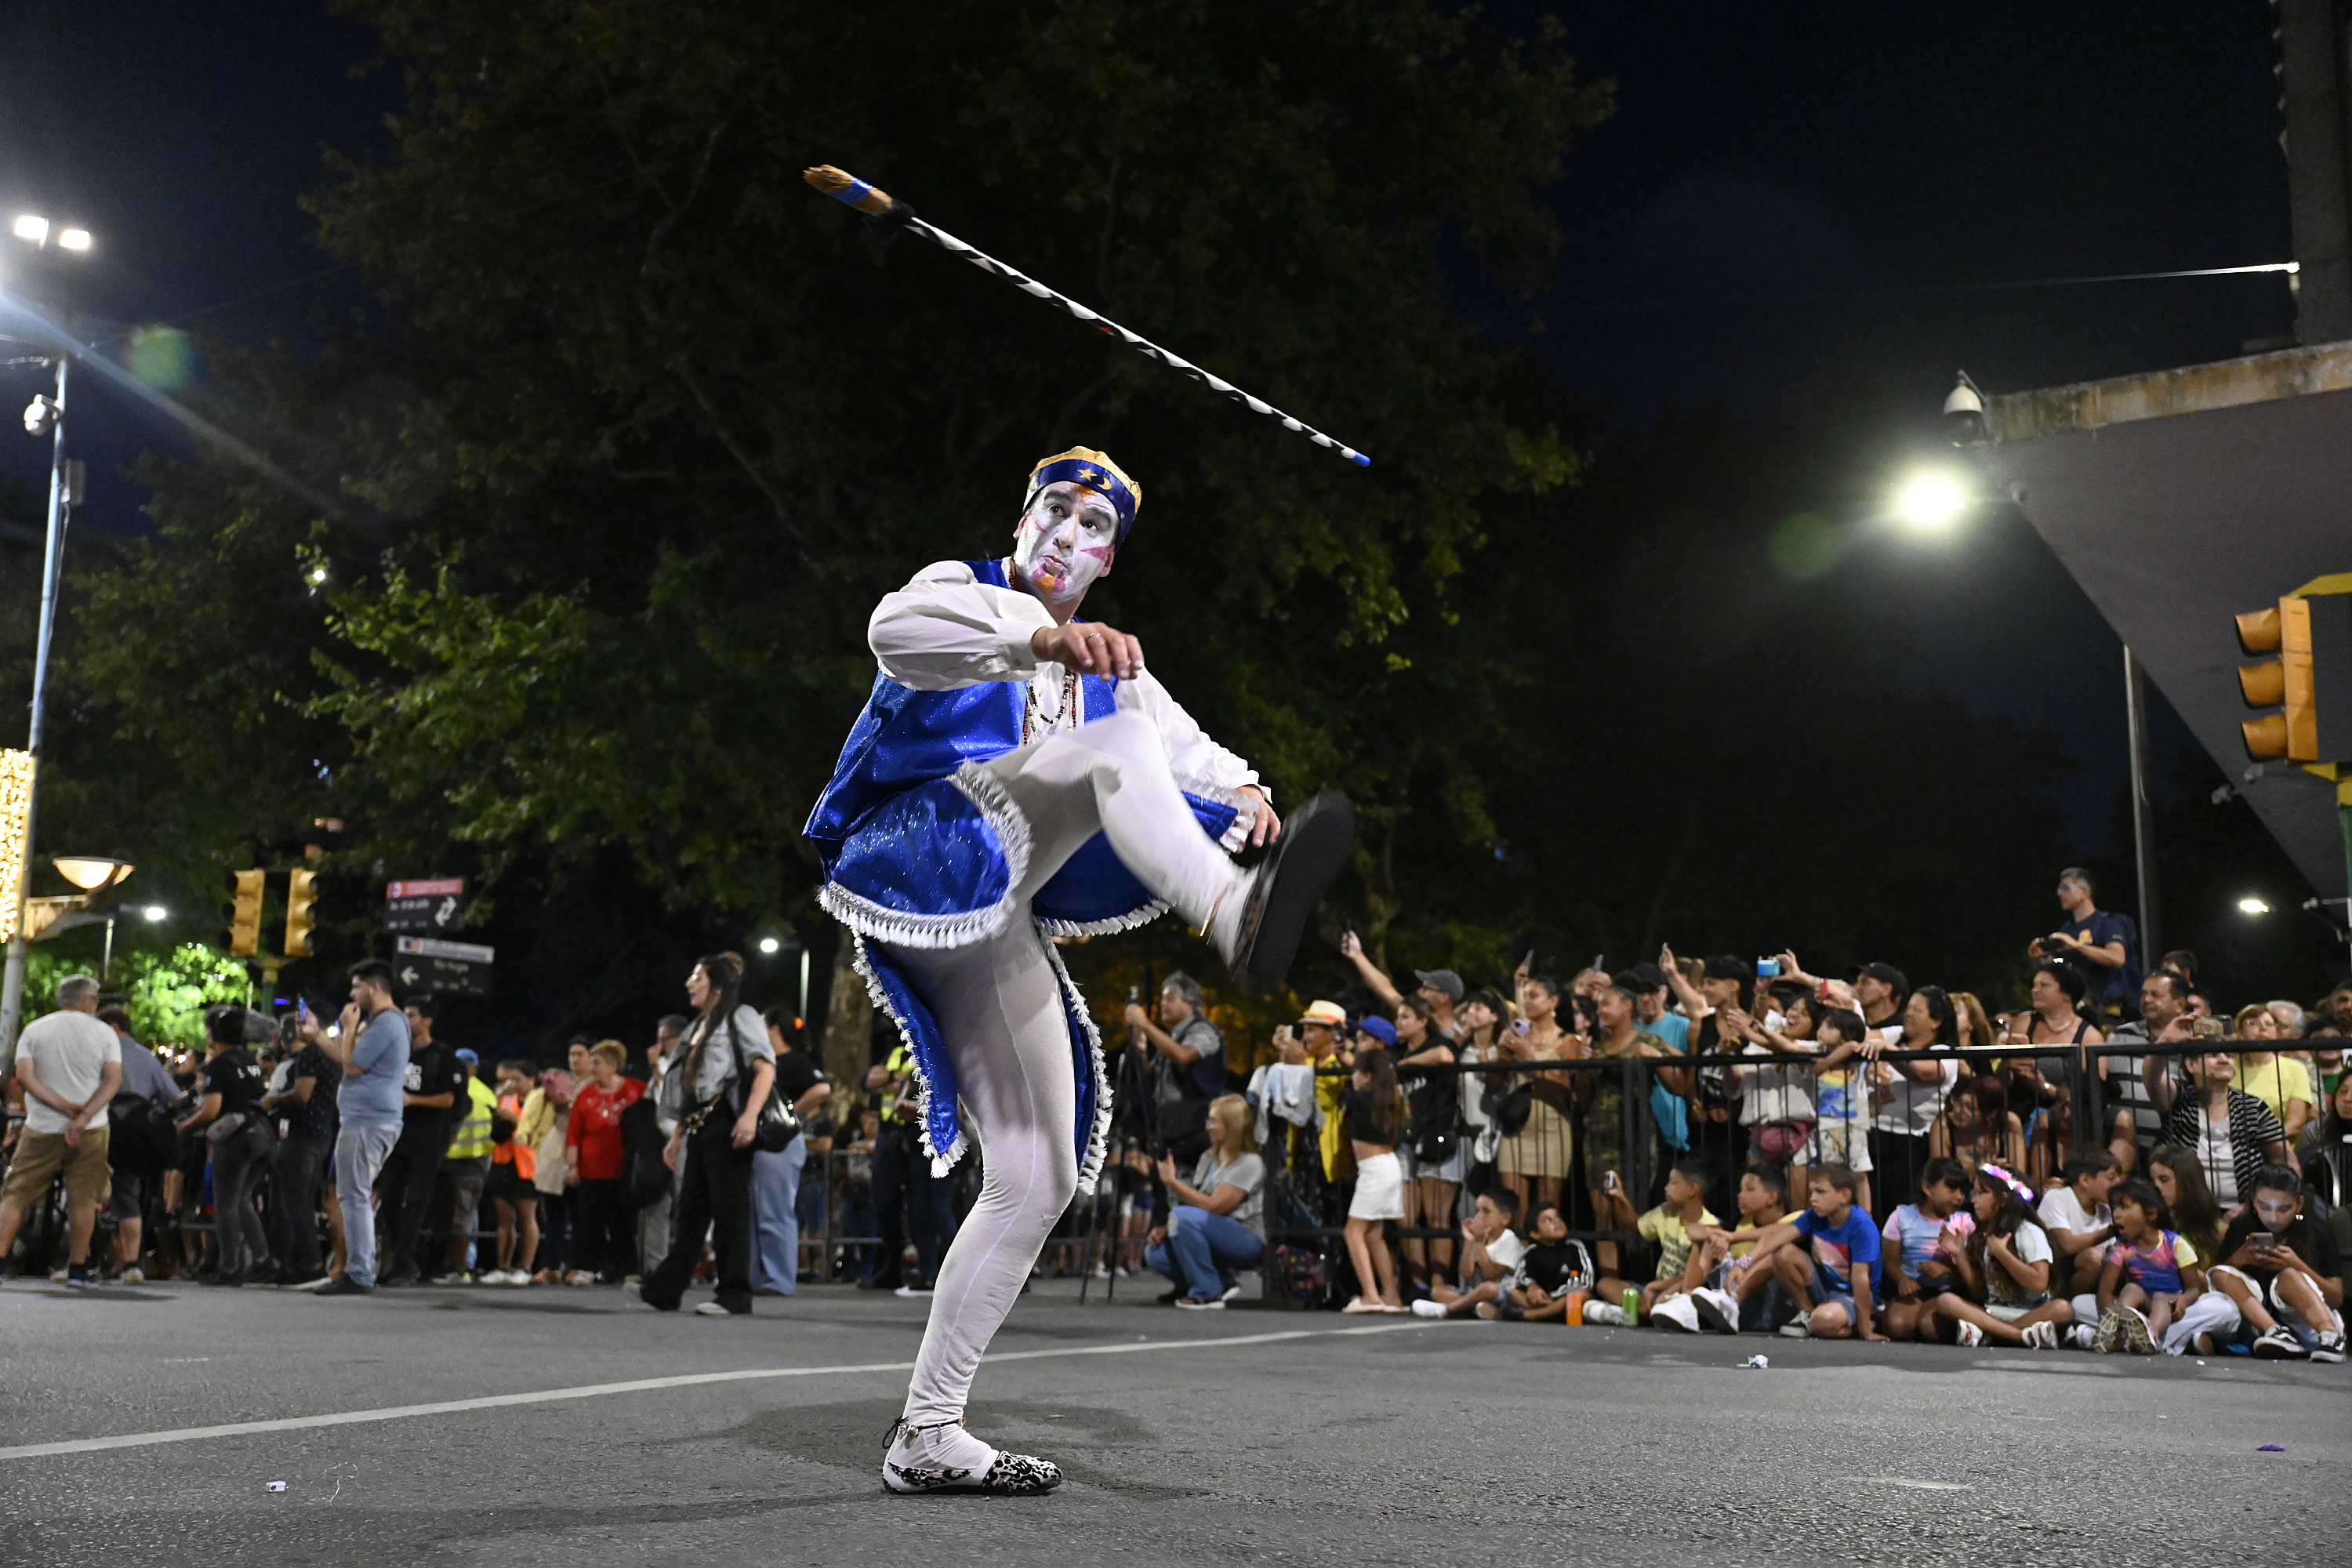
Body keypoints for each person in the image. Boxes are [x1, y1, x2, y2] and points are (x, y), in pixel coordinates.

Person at [805, 451, 1356, 1495]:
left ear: (1107, 561)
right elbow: (893, 630)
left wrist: (1245, 790)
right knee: (1110, 747)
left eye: (1091, 527)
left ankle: (926, 1433)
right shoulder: (965, 593)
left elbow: (1181, 743)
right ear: (1022, 521)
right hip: (917, 849)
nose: (1067, 534)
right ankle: (1232, 913)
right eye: (1053, 510)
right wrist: (1040, 637)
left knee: (1039, 1175)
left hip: (991, 909)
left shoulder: (1111, 669)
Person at [633, 953, 773, 1316]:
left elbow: (764, 1068)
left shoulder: (740, 1016)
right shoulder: (699, 1024)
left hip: (728, 1121)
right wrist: (677, 1135)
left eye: (697, 976)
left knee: (730, 1210)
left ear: (718, 985)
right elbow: (690, 1088)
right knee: (691, 1212)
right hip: (699, 1126)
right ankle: (664, 1290)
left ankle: (734, 1294)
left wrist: (749, 1116)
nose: (689, 983)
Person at [0, 975, 122, 1287]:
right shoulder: (105, 1033)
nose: (96, 1004)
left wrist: (60, 1105)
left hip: (42, 1126)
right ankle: (77, 1269)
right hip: (92, 1129)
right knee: (84, 1199)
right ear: (82, 999)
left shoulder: (36, 1029)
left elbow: (25, 1076)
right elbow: (112, 1081)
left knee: (16, 1194)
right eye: (94, 998)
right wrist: (83, 1116)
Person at [307, 960, 412, 1296]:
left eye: (356, 987)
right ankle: (359, 1269)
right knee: (354, 1193)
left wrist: (350, 1028)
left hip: (369, 1120)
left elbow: (351, 1065)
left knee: (353, 1195)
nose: (352, 994)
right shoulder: (385, 1023)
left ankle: (359, 1272)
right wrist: (317, 1035)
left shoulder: (386, 1023)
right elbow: (345, 1056)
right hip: (368, 1119)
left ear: (374, 987)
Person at [174, 1004, 274, 1285]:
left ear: (214, 1035)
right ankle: (263, 1259)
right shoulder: (250, 1059)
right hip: (262, 1133)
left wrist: (185, 1125)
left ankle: (230, 1268)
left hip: (236, 1137)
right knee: (243, 1200)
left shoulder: (218, 1065)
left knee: (225, 1203)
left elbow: (210, 1110)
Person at [373, 995, 466, 1287]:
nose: (406, 1020)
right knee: (388, 1197)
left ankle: (403, 1264)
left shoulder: (443, 1056)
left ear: (427, 1021)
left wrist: (412, 1100)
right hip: (397, 1136)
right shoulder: (399, 1052)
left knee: (416, 1201)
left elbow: (449, 1099)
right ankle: (405, 1258)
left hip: (428, 1140)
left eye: (412, 1015)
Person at [1926, 1163, 2071, 1350]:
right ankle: (2020, 1336)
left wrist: (2002, 1254)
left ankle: (1991, 1333)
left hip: (2031, 1312)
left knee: (2063, 1309)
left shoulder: (2029, 1232)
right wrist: (1959, 1253)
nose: (1974, 1200)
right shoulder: (1984, 1234)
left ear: (2003, 1200)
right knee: (1946, 1301)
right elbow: (1980, 1292)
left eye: (1981, 1193)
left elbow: (2039, 1283)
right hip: (1993, 1312)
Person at [2207, 1166, 2345, 1361]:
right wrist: (2238, 1260)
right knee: (2220, 1273)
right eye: (2264, 1207)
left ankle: (2332, 1336)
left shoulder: (2317, 1232)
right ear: (2254, 1201)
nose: (2273, 1218)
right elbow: (2218, 1280)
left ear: (2299, 1204)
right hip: (2261, 1325)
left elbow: (2336, 1297)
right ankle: (2276, 1332)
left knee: (2288, 1276)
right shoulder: (2242, 1226)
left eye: (2283, 1209)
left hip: (2311, 1327)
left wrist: (2297, 1265)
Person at [1142, 1094, 1265, 1307]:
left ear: (1232, 1126)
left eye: (1214, 1121)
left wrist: (1172, 1182)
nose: (1207, 1126)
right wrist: (1169, 1228)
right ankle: (1221, 1282)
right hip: (1210, 1228)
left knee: (1182, 1217)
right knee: (1156, 1253)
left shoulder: (1250, 1162)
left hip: (1245, 1236)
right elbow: (1195, 1204)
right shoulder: (1208, 1158)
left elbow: (1215, 1206)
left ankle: (1208, 1291)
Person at [1740, 1163, 1885, 1341]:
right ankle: (1807, 1315)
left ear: (1845, 1195)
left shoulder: (1862, 1226)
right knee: (1783, 1253)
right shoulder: (1814, 1215)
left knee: (1824, 1320)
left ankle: (1857, 1324)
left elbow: (1861, 1279)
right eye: (1812, 1192)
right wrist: (1744, 1262)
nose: (1813, 1199)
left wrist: (1865, 1330)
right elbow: (1778, 1237)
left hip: (1854, 1296)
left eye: (1821, 1192)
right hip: (1825, 1291)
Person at [2148, 1047, 2292, 1216]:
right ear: (2191, 1064)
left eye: (2229, 1055)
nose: (2224, 1060)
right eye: (2214, 1055)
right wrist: (2166, 1042)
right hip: (2186, 1214)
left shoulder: (2253, 1107)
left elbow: (2285, 1162)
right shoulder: (2180, 1100)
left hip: (2244, 1213)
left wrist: (2256, 1206)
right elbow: (2152, 1078)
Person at [750, 1009, 831, 1297]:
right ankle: (757, 1275)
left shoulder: (793, 1061)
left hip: (781, 1143)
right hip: (762, 1143)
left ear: (773, 1029)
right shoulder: (763, 1062)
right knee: (757, 1211)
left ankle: (779, 1279)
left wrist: (788, 1113)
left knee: (776, 1210)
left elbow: (822, 1089)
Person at [94, 1005, 175, 1283]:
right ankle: (131, 1263)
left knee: (85, 1193)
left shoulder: (101, 1054)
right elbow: (173, 1097)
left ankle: (84, 1261)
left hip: (101, 1128)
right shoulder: (148, 1057)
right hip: (135, 1134)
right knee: (128, 1195)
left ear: (113, 1027)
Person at [2082, 1176, 2209, 1354]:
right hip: (2138, 1305)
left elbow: (2194, 1288)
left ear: (2151, 1214)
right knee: (2131, 1289)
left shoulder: (2174, 1243)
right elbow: (2105, 1292)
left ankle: (2150, 1334)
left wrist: (2183, 1301)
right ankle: (2118, 1328)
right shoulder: (2121, 1249)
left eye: (2124, 1207)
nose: (2117, 1214)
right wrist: (2110, 1312)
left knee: (2160, 1298)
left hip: (2167, 1302)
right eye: (2115, 1208)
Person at [1675, 1163, 1802, 1334]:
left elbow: (1779, 1233)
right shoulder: (1743, 1223)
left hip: (1776, 1305)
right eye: (1740, 1190)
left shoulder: (1797, 1218)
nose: (1740, 1195)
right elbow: (1693, 1230)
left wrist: (1732, 1238)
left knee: (1777, 1251)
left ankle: (1732, 1302)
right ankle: (1686, 1303)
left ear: (1772, 1197)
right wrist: (1714, 1236)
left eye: (1749, 1190)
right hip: (1748, 1304)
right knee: (1706, 1242)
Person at [262, 1009, 338, 1288]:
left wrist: (272, 1101)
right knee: (301, 1202)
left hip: (300, 1136)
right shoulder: (331, 1057)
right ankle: (295, 1265)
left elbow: (302, 1094)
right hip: (321, 1137)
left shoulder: (308, 1057)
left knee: (295, 1205)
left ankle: (312, 1266)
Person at [1120, 972, 1225, 1164]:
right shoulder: (1172, 1038)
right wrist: (1142, 1052)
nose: (1163, 1004)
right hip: (1172, 1133)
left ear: (1190, 1002)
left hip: (1196, 1135)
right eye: (1162, 999)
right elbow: (1154, 1080)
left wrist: (1145, 1024)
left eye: (1170, 998)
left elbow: (1183, 1056)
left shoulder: (1204, 1031)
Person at [564, 1041, 645, 1284]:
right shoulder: (585, 1096)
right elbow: (573, 1134)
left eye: (596, 1062)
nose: (591, 1066)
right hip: (591, 1171)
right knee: (590, 1223)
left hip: (624, 1170)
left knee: (623, 1222)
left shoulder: (635, 1090)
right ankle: (587, 1269)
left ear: (612, 1066)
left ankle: (628, 1269)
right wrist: (572, 1166)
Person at [1603, 1159, 1720, 1328]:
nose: (1666, 1188)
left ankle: (1645, 1311)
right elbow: (1635, 1225)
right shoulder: (1665, 1212)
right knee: (1605, 1284)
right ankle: (1647, 1310)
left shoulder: (1710, 1227)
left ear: (1693, 1189)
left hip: (1682, 1290)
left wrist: (1655, 1286)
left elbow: (1697, 1278)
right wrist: (1620, 1198)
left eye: (1673, 1183)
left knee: (1667, 1298)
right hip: (1656, 1289)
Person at [1497, 970, 1574, 1220]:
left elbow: (1564, 1090)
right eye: (1525, 996)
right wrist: (1501, 1059)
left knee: (1546, 1212)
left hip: (1551, 1129)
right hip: (1516, 1130)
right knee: (1513, 1210)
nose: (1527, 1001)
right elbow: (1494, 1083)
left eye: (1534, 995)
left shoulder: (1568, 1041)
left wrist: (1529, 1058)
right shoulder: (1515, 1035)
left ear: (1553, 1002)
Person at [2104, 971, 2194, 1172]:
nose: (2146, 1000)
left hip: (2174, 1146)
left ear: (2179, 1004)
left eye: (2156, 995)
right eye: (2144, 994)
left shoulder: (2193, 1042)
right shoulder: (2121, 1035)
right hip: (2124, 1143)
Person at [1340, 1047, 1406, 1313]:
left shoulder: (1359, 1098)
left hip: (1373, 1169)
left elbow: (1344, 1101)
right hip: (1390, 1166)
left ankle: (1369, 1294)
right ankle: (1391, 1295)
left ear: (1366, 1076)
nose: (1352, 1076)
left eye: (1356, 1071)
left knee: (1353, 1231)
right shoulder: (1389, 1099)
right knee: (1374, 1233)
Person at [1877, 1156, 1973, 1341]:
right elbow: (1889, 1259)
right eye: (1952, 1189)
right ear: (1927, 1188)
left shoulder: (1964, 1222)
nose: (1959, 1197)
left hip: (1948, 1292)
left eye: (1962, 1191)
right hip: (1914, 1290)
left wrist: (1946, 1269)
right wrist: (1902, 1280)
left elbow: (1973, 1270)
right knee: (1897, 1325)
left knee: (1930, 1327)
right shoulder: (1902, 1216)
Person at [2029, 867, 2140, 1017]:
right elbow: (2056, 970)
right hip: (2079, 1012)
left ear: (2085, 891)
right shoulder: (2067, 930)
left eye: (2065, 888)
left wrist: (2077, 946)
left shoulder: (2108, 922)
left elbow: (2117, 958)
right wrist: (2039, 957)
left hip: (2110, 1013)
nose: (2060, 893)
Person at [1411, 1186, 1525, 1319]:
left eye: (1486, 1212)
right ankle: (1476, 1308)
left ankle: (1448, 1309)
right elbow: (1466, 1274)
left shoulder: (1509, 1239)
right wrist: (1469, 1241)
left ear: (1505, 1218)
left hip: (1503, 1295)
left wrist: (1478, 1242)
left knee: (1489, 1288)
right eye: (1477, 1211)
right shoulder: (1481, 1237)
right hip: (1476, 1293)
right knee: (1438, 1291)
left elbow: (1491, 1275)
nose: (1479, 1216)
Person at [1803, 1007, 1875, 1217]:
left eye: (1831, 1026)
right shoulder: (1816, 1053)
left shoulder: (1856, 1062)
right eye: (1823, 1024)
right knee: (1831, 1175)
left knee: (1859, 1173)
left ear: (1847, 1033)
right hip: (1827, 1126)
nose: (1822, 1030)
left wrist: (1827, 1062)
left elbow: (1853, 1047)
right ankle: (1834, 1216)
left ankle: (1866, 1217)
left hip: (1854, 1125)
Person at [632, 1015, 688, 1283]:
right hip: (659, 1144)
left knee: (687, 1205)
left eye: (666, 1038)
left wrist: (655, 1065)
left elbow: (671, 1097)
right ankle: (656, 1267)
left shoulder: (687, 1060)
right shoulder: (662, 1064)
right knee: (655, 1204)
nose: (661, 1044)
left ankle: (692, 1265)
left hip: (683, 1140)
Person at [485, 1061, 549, 1285]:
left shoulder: (540, 1099)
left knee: (527, 1217)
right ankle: (503, 1266)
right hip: (503, 1161)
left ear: (532, 1079)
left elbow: (536, 1131)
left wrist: (514, 1120)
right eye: (510, 1080)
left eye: (517, 1079)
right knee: (504, 1218)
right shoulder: (506, 1098)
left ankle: (525, 1268)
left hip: (527, 1164)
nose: (513, 1084)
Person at [437, 1049, 496, 1282]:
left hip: (459, 1162)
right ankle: (456, 1266)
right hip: (477, 1163)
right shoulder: (487, 1093)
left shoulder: (457, 1090)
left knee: (457, 1218)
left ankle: (457, 1268)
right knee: (463, 1216)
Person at [2228, 1009, 2317, 1145]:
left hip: (2277, 1149)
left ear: (2276, 1032)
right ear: (2240, 1032)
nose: (2262, 1028)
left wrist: (2265, 1143)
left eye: (2269, 1024)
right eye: (2253, 1023)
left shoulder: (2295, 1069)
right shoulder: (2228, 1067)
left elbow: (2295, 1123)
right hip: (2230, 1146)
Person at [1497, 1200, 1591, 1322]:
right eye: (1548, 1220)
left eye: (1558, 1217)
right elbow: (1520, 1278)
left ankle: (1530, 1315)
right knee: (1515, 1293)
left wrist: (1553, 1297)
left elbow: (1585, 1280)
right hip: (1540, 1301)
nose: (1556, 1223)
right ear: (1535, 1234)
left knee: (1581, 1294)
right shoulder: (1531, 1252)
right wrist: (1532, 1288)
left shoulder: (1574, 1247)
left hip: (1564, 1300)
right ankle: (1550, 1313)